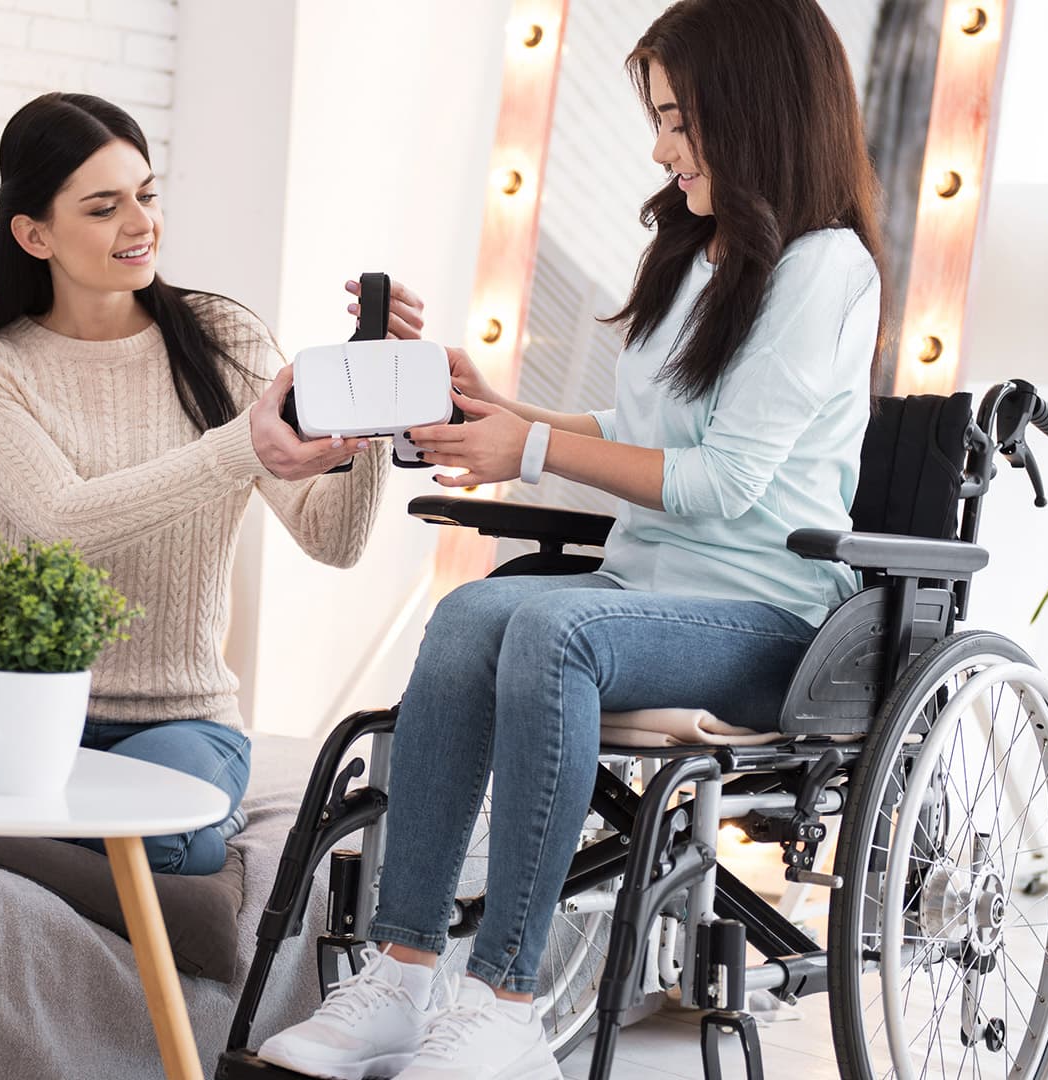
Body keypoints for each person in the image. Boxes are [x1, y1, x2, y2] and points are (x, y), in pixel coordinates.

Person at [258, 0, 883, 1075]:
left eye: (680, 120)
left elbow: (726, 484)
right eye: (658, 120)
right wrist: (508, 411)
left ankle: (502, 1001)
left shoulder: (826, 268)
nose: (660, 148)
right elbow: (641, 435)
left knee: (553, 631)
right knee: (470, 611)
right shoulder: (700, 254)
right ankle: (404, 976)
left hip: (770, 620)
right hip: (646, 596)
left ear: (755, 109)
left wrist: (530, 455)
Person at [0, 92, 423, 874]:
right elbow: (63, 520)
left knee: (165, 841)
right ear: (34, 233)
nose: (140, 224)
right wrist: (237, 450)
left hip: (183, 720)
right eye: (103, 207)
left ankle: (1, 840)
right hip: (30, 709)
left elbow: (332, 541)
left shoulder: (221, 338)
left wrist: (364, 416)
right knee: (134, 841)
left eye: (147, 194)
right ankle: (20, 835)